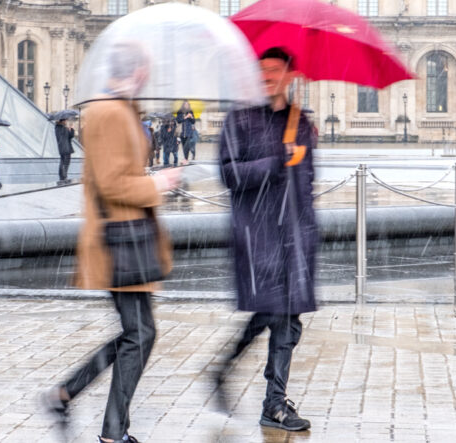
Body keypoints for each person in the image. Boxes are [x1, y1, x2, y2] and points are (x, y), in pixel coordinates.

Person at [41, 41, 181, 443]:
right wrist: (159, 182)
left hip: (128, 237)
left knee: (137, 333)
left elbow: (121, 170)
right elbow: (112, 182)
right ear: (136, 71)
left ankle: (65, 395)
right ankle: (110, 431)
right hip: (118, 240)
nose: (149, 79)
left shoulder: (118, 109)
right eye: (147, 71)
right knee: (140, 334)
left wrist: (152, 176)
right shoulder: (107, 112)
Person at [215, 47, 317, 432]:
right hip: (255, 232)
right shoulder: (238, 119)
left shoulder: (301, 122)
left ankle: (270, 399)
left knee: (287, 319)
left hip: (294, 233)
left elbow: (307, 182)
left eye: (276, 70)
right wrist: (275, 161)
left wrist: (307, 231)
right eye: (262, 71)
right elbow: (228, 174)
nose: (268, 77)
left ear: (290, 75)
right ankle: (257, 390)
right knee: (276, 313)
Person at [55, 119, 75, 184]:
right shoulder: (58, 128)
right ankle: (63, 177)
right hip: (64, 148)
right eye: (65, 121)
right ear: (62, 121)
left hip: (67, 148)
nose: (66, 122)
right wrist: (66, 129)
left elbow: (70, 136)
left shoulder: (63, 128)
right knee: (64, 163)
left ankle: (64, 177)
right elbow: (62, 137)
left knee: (65, 163)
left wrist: (71, 129)